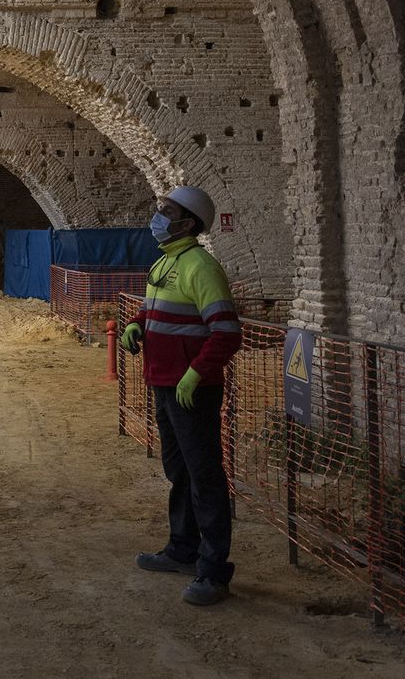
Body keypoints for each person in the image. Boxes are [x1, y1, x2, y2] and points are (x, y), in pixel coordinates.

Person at [121, 185, 242, 606]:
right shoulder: (164, 263)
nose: (157, 216)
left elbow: (226, 332)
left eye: (165, 211)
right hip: (163, 383)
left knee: (205, 477)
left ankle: (213, 571)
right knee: (180, 473)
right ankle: (182, 550)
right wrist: (137, 324)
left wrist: (196, 374)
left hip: (191, 391)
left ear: (187, 223)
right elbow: (156, 310)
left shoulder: (201, 268)